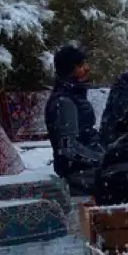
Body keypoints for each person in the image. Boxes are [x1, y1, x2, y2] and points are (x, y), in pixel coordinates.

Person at [44, 45, 103, 194]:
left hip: (85, 168)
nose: (87, 68)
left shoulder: (73, 95)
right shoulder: (64, 101)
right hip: (78, 174)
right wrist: (101, 159)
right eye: (81, 65)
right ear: (69, 70)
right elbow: (68, 148)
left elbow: (86, 133)